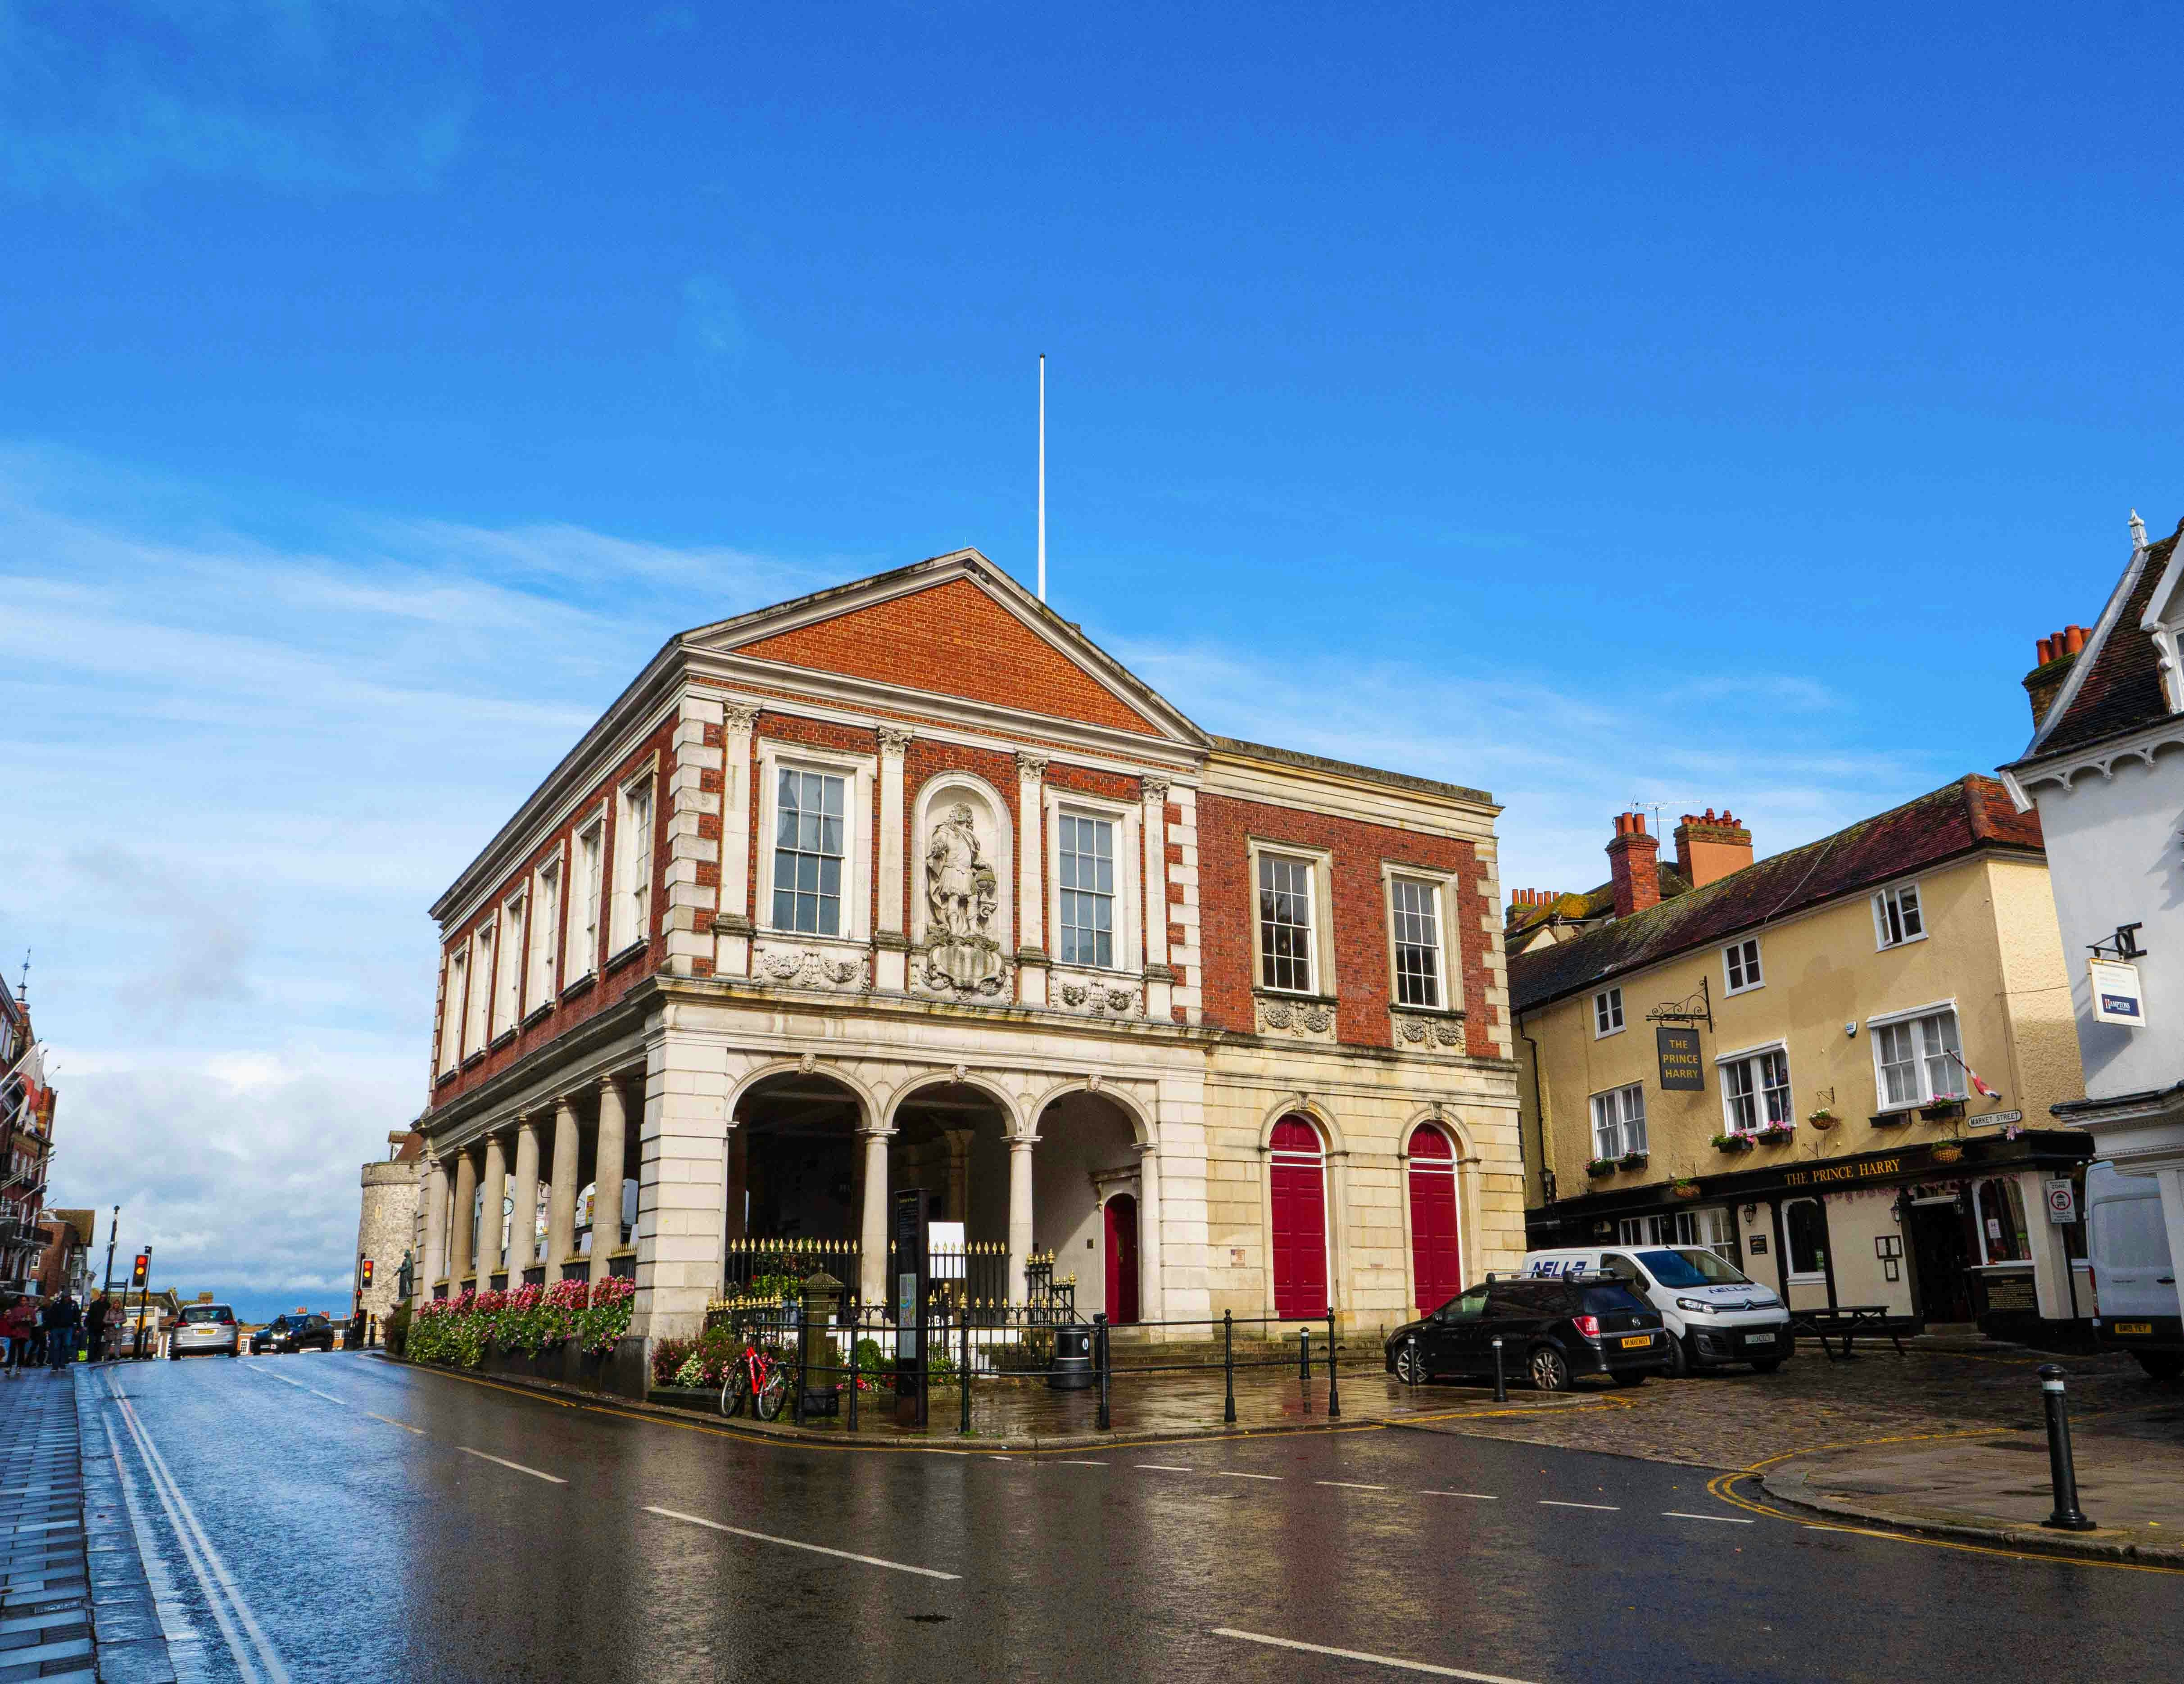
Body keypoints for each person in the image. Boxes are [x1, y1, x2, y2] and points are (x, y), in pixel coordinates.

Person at [45, 1293, 77, 1371]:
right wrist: (48, 1328)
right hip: (56, 1328)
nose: (67, 1298)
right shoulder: (57, 1304)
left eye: (68, 1297)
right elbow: (50, 1316)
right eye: (65, 1297)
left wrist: (78, 1328)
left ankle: (62, 1363)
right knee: (56, 1347)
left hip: (68, 1328)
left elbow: (77, 1316)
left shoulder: (74, 1304)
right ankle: (55, 1365)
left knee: (66, 1345)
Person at [85, 1293, 109, 1363]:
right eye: (102, 1297)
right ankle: (91, 1358)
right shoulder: (94, 1304)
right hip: (93, 1326)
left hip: (101, 1327)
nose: (103, 1299)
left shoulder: (107, 1305)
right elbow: (89, 1314)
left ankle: (96, 1357)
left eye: (104, 1298)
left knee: (98, 1343)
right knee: (92, 1342)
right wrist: (87, 1324)